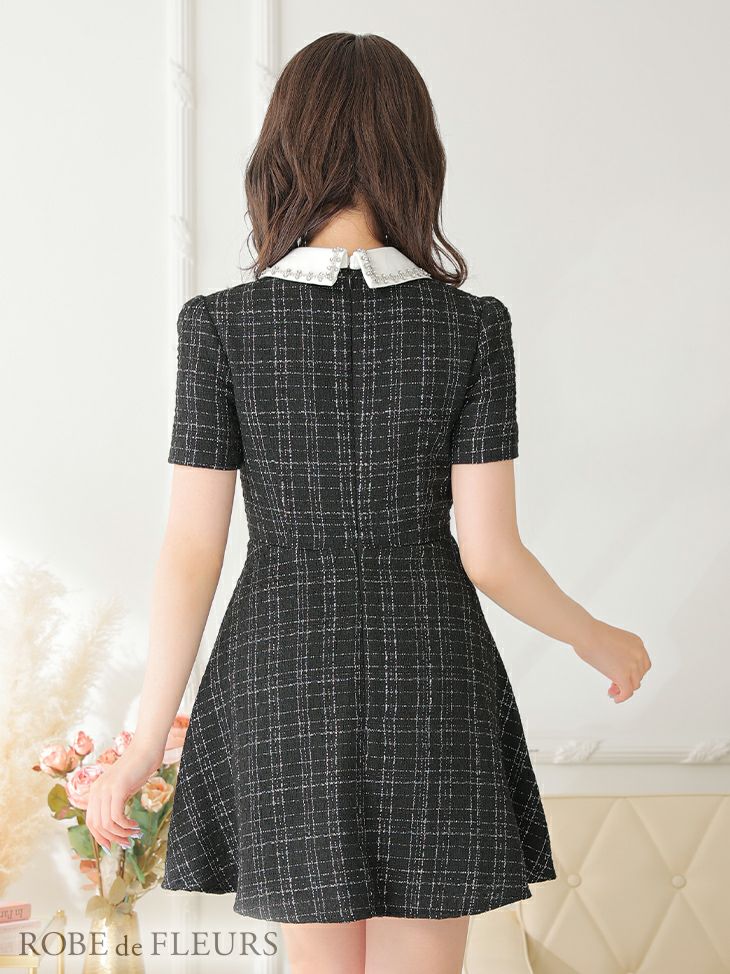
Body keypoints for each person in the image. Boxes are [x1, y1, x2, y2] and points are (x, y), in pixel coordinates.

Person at [86, 31, 651, 974]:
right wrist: (598, 638)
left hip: (284, 667)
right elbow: (492, 555)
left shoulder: (220, 326)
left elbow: (192, 548)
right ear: (414, 154)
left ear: (283, 152)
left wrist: (146, 740)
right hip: (433, 669)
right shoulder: (472, 326)